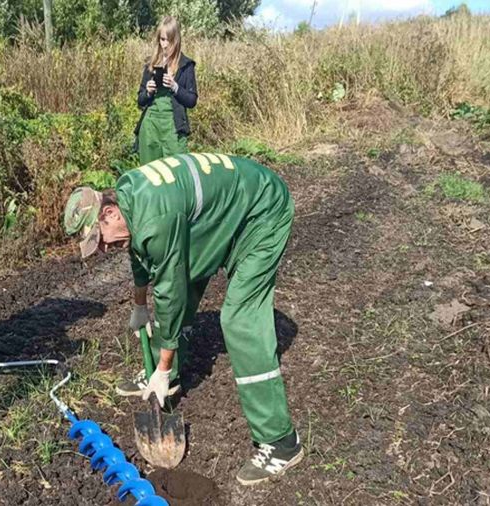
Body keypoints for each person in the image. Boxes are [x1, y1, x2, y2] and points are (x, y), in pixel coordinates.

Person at [64, 153, 303, 485]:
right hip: (226, 212)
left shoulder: (156, 218)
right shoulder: (129, 194)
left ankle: (281, 442)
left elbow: (170, 289)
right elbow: (139, 254)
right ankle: (169, 375)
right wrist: (139, 306)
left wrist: (160, 367)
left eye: (99, 238)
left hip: (261, 213)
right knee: (180, 283)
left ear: (108, 212)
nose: (103, 248)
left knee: (240, 319)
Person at [134, 17, 198, 165]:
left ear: (176, 40)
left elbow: (192, 101)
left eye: (169, 40)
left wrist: (175, 87)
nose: (165, 45)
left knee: (177, 173)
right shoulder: (150, 64)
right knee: (150, 175)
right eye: (162, 39)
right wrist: (148, 92)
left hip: (173, 127)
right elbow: (140, 100)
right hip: (150, 127)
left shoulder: (186, 65)